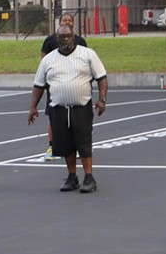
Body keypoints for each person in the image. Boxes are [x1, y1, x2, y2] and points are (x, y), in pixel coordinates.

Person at [29, 24, 108, 193]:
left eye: (69, 36)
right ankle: (72, 176)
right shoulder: (48, 60)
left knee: (83, 142)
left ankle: (89, 177)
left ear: (74, 37)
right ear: (57, 39)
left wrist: (102, 100)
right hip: (59, 109)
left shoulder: (87, 55)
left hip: (81, 107)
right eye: (62, 37)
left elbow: (101, 78)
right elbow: (39, 85)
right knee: (65, 144)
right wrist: (33, 107)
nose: (66, 40)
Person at [38, 13, 87, 160]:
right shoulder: (50, 40)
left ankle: (76, 147)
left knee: (76, 120)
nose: (67, 22)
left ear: (73, 23)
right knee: (53, 118)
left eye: (70, 20)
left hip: (74, 85)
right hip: (56, 86)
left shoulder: (80, 41)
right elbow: (43, 60)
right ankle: (52, 146)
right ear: (59, 23)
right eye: (64, 20)